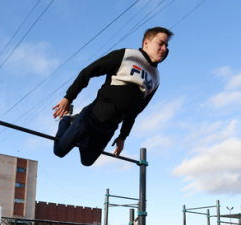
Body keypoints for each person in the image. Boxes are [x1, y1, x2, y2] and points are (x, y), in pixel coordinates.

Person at [52, 27, 173, 166]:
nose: (164, 49)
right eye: (160, 43)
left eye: (166, 46)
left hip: (108, 129)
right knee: (59, 151)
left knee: (87, 161)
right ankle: (67, 120)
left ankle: (80, 137)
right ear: (146, 43)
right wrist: (68, 98)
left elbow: (135, 112)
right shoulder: (126, 55)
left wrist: (122, 137)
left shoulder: (155, 79)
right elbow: (88, 72)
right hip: (91, 118)